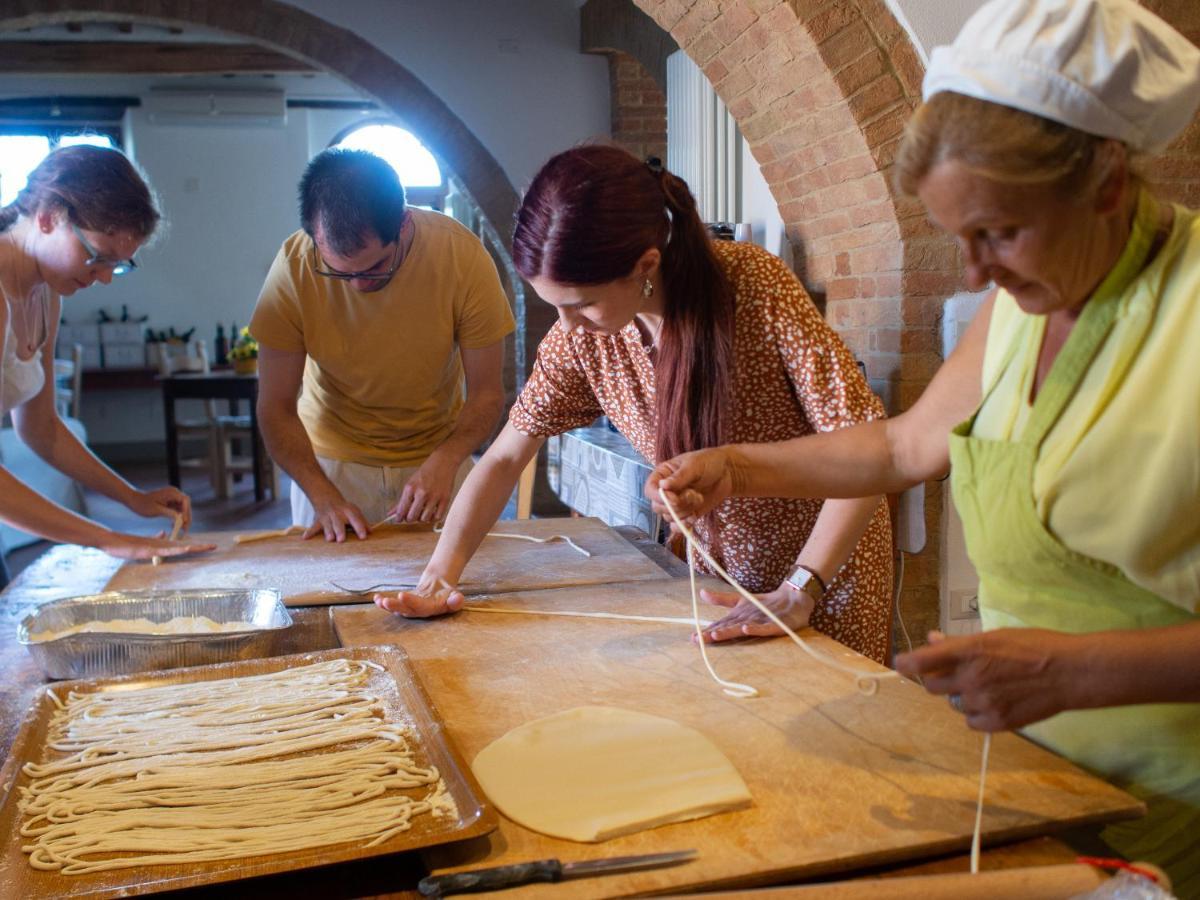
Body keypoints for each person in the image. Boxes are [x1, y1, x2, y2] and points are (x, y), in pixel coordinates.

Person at [647, 0, 1200, 891]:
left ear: (1106, 181)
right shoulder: (1022, 301)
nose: (976, 275)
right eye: (959, 238)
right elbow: (904, 449)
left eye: (1001, 232)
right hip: (1031, 772)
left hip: (1174, 799)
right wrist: (741, 464)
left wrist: (1075, 668)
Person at [374, 144, 895, 664]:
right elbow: (507, 455)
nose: (568, 324)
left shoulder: (754, 288)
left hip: (823, 570)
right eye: (554, 305)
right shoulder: (582, 339)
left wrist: (802, 587)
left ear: (646, 265)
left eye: (582, 303)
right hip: (716, 579)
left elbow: (868, 452)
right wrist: (438, 579)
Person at [250, 149, 515, 542]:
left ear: (404, 222)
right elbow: (275, 408)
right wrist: (323, 496)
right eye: (340, 272)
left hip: (438, 459)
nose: (359, 285)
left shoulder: (462, 257)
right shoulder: (293, 266)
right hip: (330, 467)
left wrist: (447, 459)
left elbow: (488, 394)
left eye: (375, 267)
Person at [0, 145, 212, 583]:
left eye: (117, 265)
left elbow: (40, 429)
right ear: (47, 216)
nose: (103, 277)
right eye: (96, 257)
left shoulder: (46, 294)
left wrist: (131, 498)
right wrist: (106, 538)